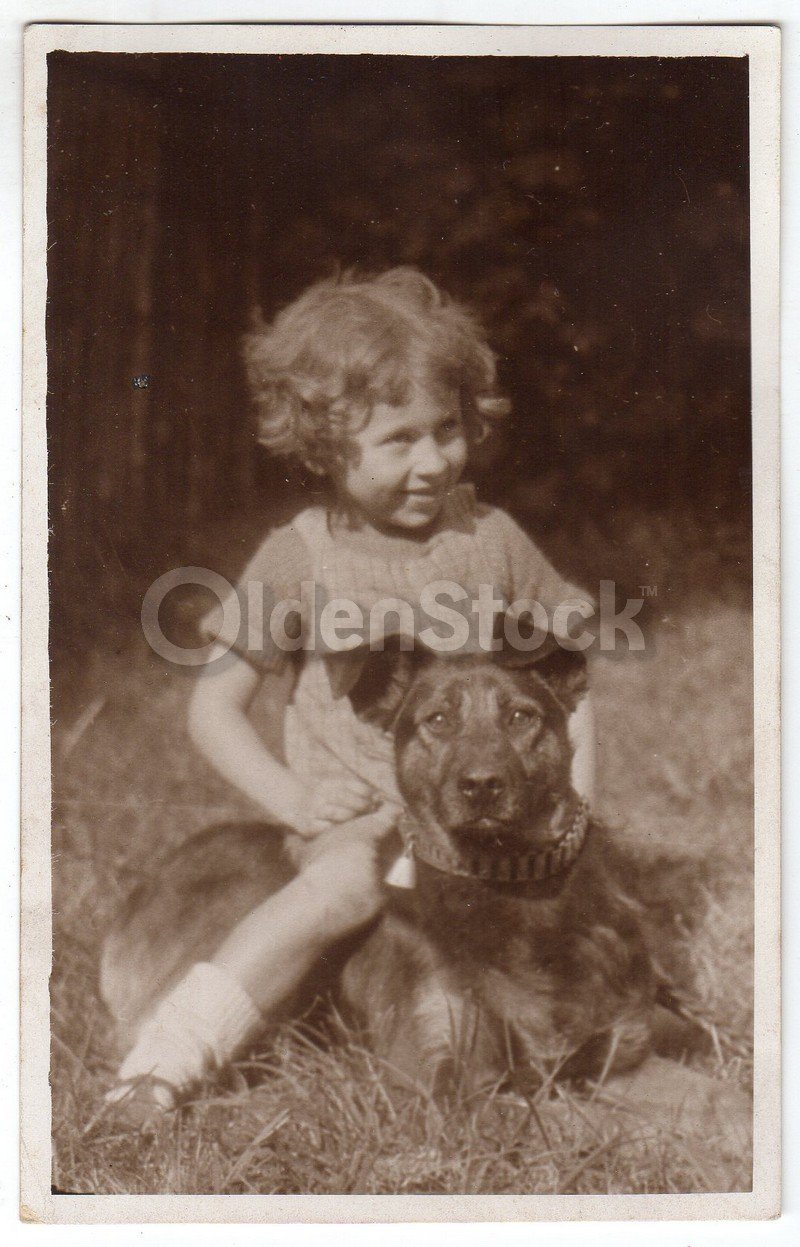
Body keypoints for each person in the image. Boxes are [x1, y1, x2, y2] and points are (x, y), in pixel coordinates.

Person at [108, 266, 596, 1109]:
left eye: (447, 428)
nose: (434, 460)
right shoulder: (298, 557)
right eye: (398, 439)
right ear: (327, 444)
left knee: (578, 923)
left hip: (488, 819)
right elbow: (213, 707)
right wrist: (296, 800)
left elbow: (574, 684)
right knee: (344, 887)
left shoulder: (493, 538)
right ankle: (166, 1060)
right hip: (358, 824)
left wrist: (575, 814)